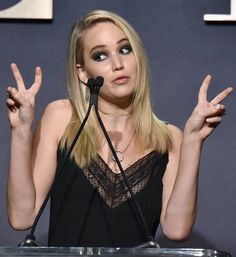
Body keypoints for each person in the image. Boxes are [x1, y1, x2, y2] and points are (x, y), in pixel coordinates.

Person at [6, 10, 233, 247]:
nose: (117, 64)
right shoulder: (62, 118)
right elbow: (22, 217)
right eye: (100, 56)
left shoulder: (169, 139)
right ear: (83, 72)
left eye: (125, 50)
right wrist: (21, 131)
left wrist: (193, 141)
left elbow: (177, 229)